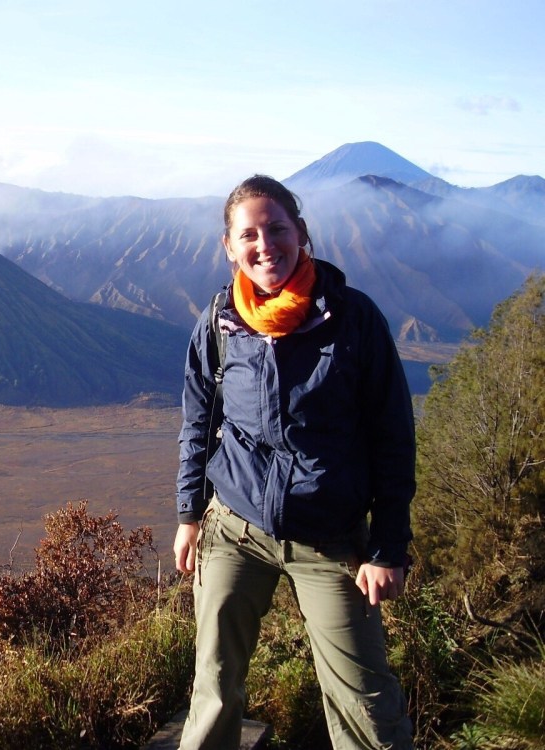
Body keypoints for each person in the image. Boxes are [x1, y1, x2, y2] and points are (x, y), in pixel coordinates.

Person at [173, 175, 415, 750]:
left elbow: (393, 435)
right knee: (213, 686)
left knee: (364, 699)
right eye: (248, 235)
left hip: (331, 536)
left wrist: (388, 547)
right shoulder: (220, 321)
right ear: (229, 247)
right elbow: (199, 422)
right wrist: (189, 514)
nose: (265, 246)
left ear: (301, 232)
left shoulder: (352, 319)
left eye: (276, 229)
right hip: (235, 528)